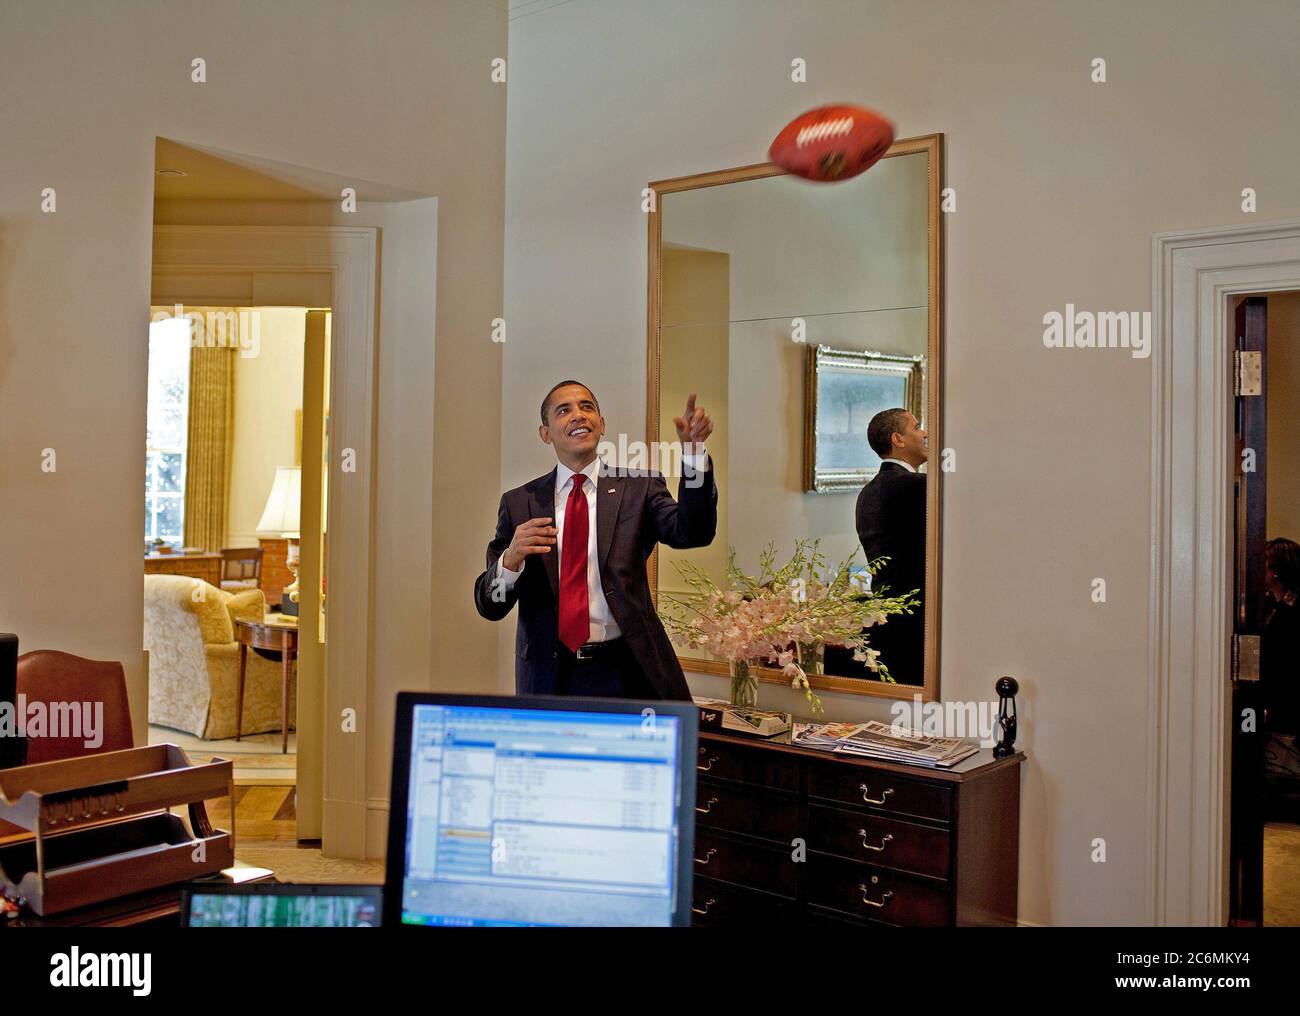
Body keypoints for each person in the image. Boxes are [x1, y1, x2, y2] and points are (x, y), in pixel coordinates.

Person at [473, 380, 717, 700]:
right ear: (545, 433)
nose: (578, 415)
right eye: (564, 410)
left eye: (587, 407)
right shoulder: (520, 503)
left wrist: (695, 455)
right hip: (550, 677)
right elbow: (490, 605)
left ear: (601, 424)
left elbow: (693, 533)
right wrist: (510, 560)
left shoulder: (638, 488)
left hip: (628, 671)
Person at [854, 408, 927, 683]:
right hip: (919, 622)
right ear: (898, 439)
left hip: (887, 618)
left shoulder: (867, 492)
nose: (926, 433)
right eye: (918, 427)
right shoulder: (916, 488)